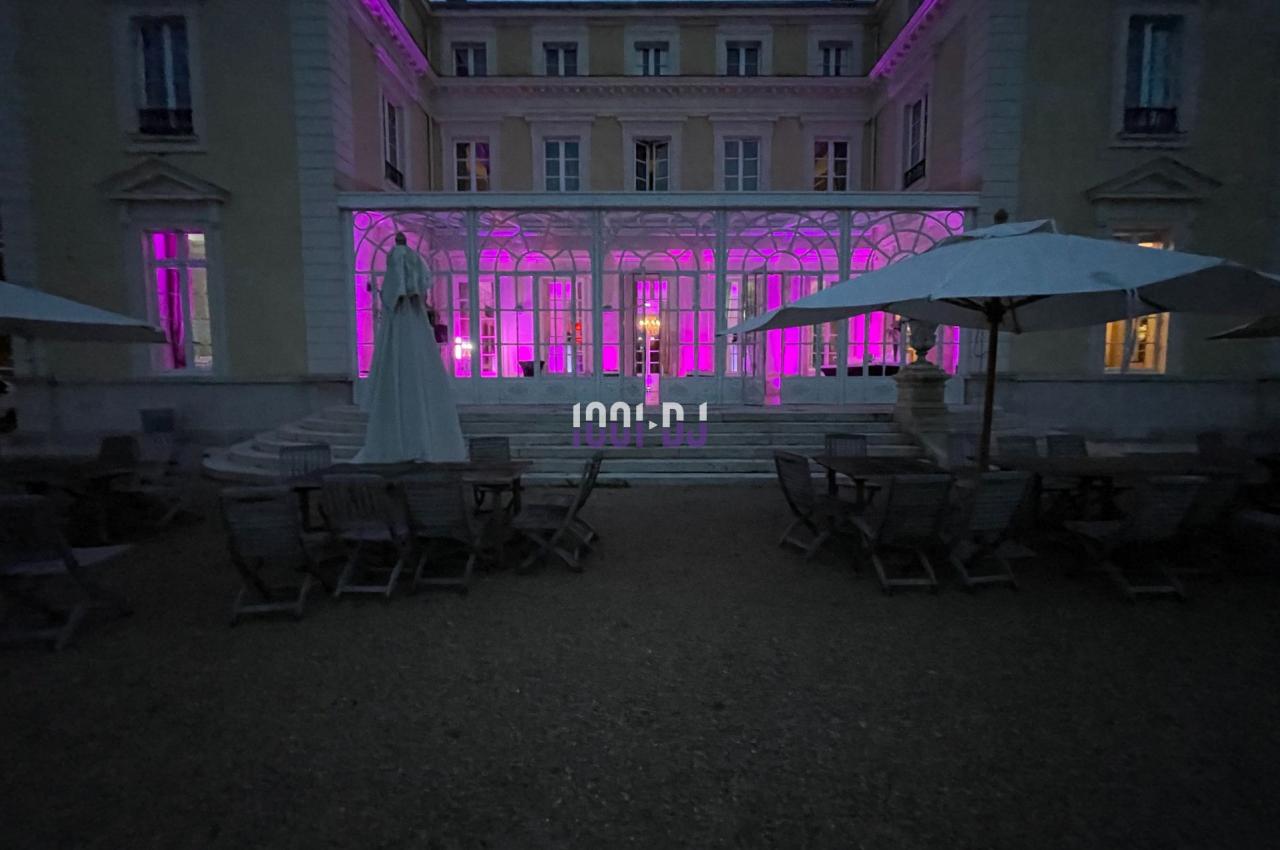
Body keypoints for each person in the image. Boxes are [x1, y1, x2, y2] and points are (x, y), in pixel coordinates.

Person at [354, 232, 466, 463]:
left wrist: (391, 296)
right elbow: (414, 283)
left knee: (403, 375)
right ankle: (419, 441)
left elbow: (395, 289)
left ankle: (407, 442)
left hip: (405, 314)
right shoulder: (414, 263)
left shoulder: (397, 259)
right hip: (410, 315)